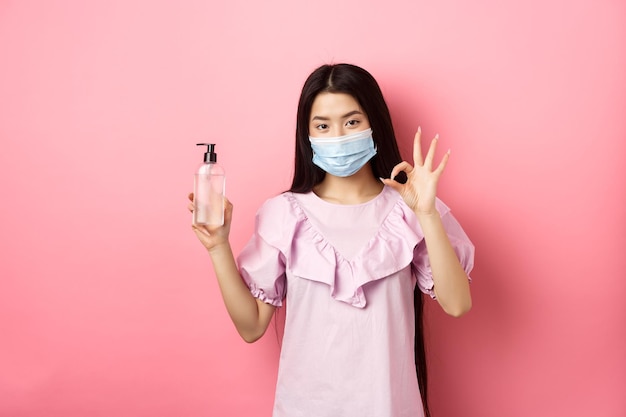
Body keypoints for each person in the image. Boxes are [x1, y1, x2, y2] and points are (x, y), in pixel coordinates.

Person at [189, 63, 474, 417]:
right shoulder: (283, 214)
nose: (338, 136)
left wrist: (427, 214)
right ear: (307, 136)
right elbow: (251, 327)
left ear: (375, 125)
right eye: (323, 125)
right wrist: (218, 247)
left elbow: (458, 304)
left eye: (351, 122)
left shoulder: (411, 210)